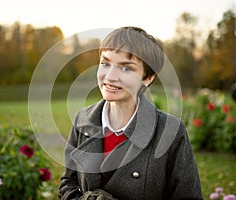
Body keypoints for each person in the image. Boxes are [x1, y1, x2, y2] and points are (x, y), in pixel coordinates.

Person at [59, 26, 203, 200]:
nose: (110, 77)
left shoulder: (171, 132)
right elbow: (68, 182)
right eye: (105, 63)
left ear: (148, 78)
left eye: (126, 68)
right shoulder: (83, 120)